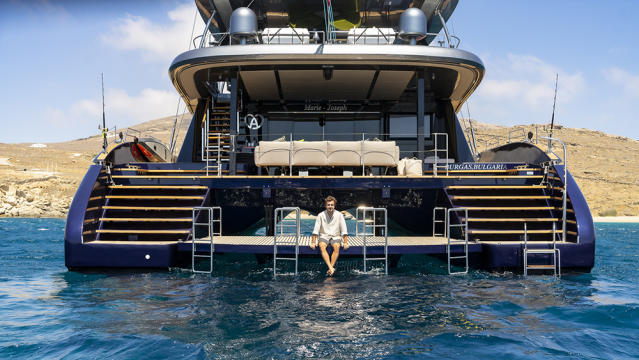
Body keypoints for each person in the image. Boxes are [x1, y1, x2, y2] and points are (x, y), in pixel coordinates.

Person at [310, 195, 349, 276]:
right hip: (324, 236)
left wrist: (345, 242)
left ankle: (330, 268)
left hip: (335, 236)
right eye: (328, 205)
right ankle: (331, 268)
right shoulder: (321, 215)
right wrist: (313, 242)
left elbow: (344, 230)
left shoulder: (339, 215)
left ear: (334, 205)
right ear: (325, 205)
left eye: (332, 205)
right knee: (321, 246)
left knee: (337, 246)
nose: (330, 206)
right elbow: (316, 230)